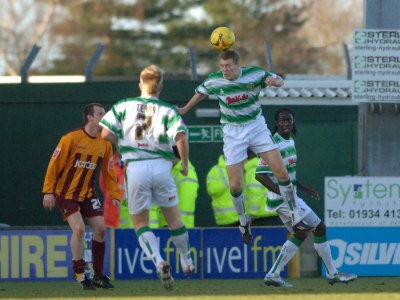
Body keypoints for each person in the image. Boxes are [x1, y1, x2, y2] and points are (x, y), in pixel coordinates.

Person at [179, 49, 309, 245]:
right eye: (222, 66)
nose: (224, 70)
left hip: (256, 128)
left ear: (237, 65)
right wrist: (184, 109)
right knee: (235, 185)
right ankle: (243, 221)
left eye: (228, 66)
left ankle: (295, 216)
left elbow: (277, 79)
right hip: (233, 134)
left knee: (282, 173)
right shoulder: (215, 80)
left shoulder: (254, 74)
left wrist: (276, 82)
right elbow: (200, 93)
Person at [100, 64, 195, 291]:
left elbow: (105, 133)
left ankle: (158, 261)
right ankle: (186, 259)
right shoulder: (168, 110)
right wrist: (183, 164)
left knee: (140, 223)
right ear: (161, 86)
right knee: (174, 220)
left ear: (140, 85)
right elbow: (180, 138)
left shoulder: (124, 105)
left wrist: (122, 142)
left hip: (136, 168)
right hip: (161, 166)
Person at [255, 107, 357, 287]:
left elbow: (286, 174)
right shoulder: (273, 145)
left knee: (300, 234)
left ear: (293, 122)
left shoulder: (290, 141)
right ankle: (332, 274)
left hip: (290, 197)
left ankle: (273, 274)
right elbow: (260, 175)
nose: (286, 123)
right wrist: (283, 193)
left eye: (289, 120)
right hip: (284, 201)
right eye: (282, 120)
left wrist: (303, 188)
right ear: (276, 123)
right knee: (320, 228)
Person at [42, 103, 120, 290]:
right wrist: (48, 191)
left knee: (101, 229)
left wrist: (115, 193)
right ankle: (80, 274)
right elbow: (54, 165)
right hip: (66, 193)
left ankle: (99, 275)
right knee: (79, 229)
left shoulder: (105, 144)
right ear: (90, 117)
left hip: (87, 193)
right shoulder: (71, 138)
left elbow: (109, 173)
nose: (105, 116)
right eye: (101, 113)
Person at [243, 149, 278, 223]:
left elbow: (256, 193)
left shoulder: (252, 170)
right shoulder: (262, 167)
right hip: (272, 212)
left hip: (261, 216)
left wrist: (252, 214)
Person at [206, 154, 240, 226]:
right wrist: (230, 180)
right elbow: (212, 190)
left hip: (245, 218)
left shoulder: (242, 167)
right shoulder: (215, 171)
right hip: (226, 219)